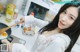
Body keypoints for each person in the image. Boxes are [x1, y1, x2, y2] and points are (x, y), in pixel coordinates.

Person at [1, 2, 80, 52]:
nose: (63, 18)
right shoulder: (57, 27)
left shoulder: (58, 43)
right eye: (64, 12)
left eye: (71, 18)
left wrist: (18, 48)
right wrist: (28, 19)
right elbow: (43, 24)